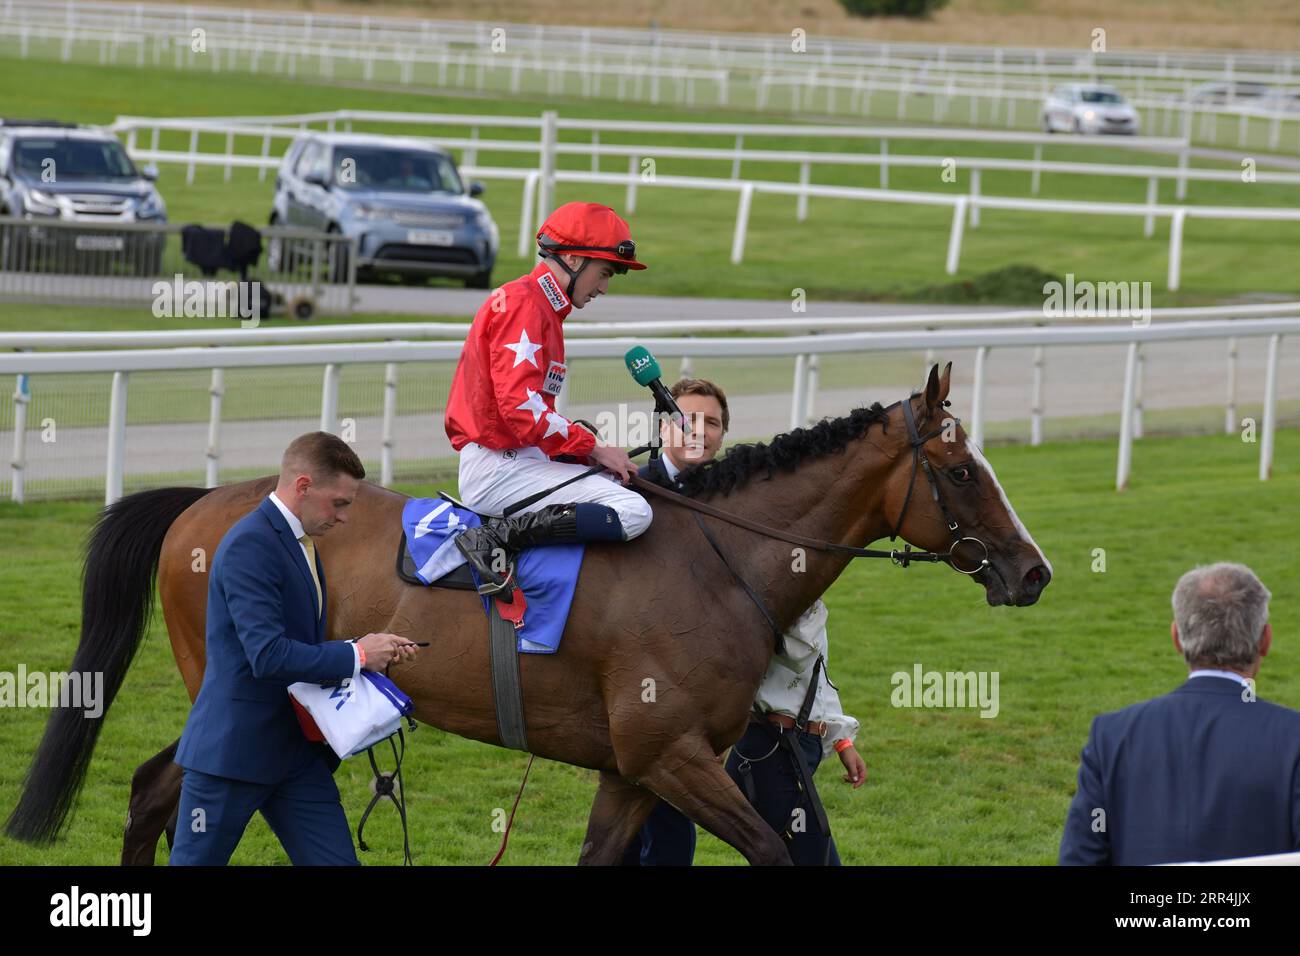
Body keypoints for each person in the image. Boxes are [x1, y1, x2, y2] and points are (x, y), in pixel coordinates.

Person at [622, 378, 867, 866]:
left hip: (712, 713)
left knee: (666, 841)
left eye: (711, 422)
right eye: (687, 419)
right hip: (640, 698)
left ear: (723, 434)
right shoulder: (629, 490)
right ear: (663, 424)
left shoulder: (743, 503)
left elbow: (802, 638)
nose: (699, 431)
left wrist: (837, 732)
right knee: (643, 836)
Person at [170, 432, 418, 866]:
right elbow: (266, 656)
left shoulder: (302, 541)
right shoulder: (252, 545)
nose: (344, 517)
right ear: (303, 485)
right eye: (339, 503)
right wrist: (357, 658)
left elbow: (295, 640)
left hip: (295, 757)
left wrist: (361, 646)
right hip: (232, 756)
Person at [445, 201, 652, 596]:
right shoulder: (526, 305)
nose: (604, 288)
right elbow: (521, 409)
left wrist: (584, 450)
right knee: (634, 511)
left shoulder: (543, 309)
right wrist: (592, 446)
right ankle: (495, 540)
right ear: (573, 257)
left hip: (516, 459)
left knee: (615, 484)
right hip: (497, 469)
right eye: (604, 272)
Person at [1059, 562, 1300, 865]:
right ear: (1265, 640)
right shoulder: (1293, 738)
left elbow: (1081, 859)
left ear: (1176, 638)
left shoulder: (1112, 736)